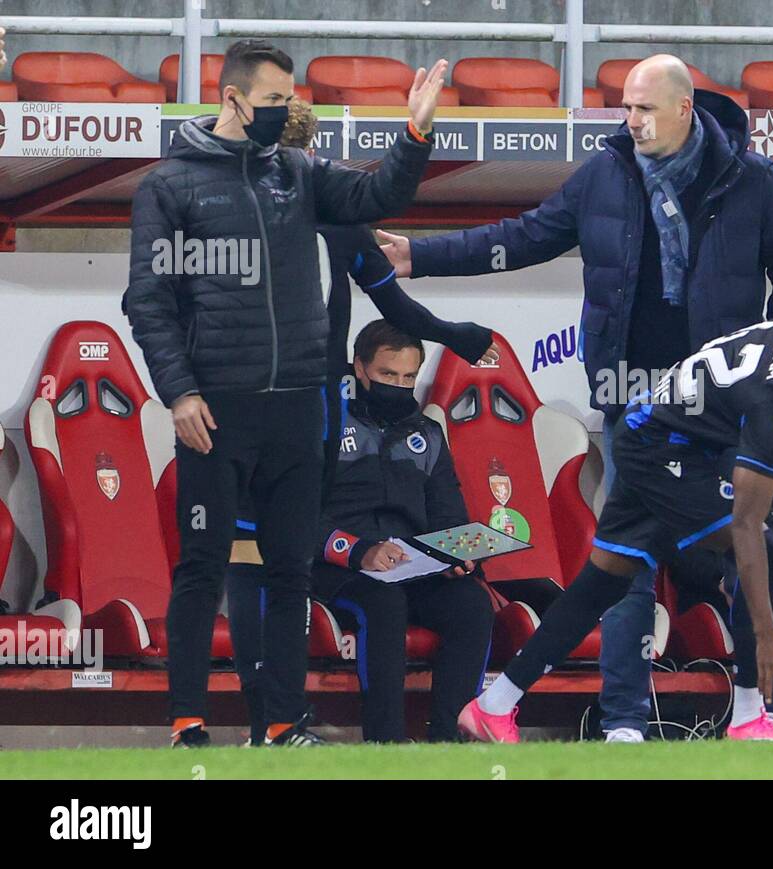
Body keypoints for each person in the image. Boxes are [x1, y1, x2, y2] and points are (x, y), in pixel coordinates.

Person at [378, 53, 773, 742]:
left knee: (619, 564)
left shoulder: (752, 182)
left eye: (644, 108)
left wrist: (769, 361)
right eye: (625, 106)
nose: (630, 121)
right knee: (702, 557)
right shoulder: (605, 177)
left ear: (684, 108)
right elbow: (521, 237)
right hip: (636, 408)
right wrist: (419, 256)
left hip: (717, 411)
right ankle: (691, 719)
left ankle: (506, 705)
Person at [123, 39, 446, 748]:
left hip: (300, 406)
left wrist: (415, 133)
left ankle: (281, 721)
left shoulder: (299, 174)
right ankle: (187, 720)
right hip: (216, 408)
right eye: (273, 101)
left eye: (290, 100)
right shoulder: (169, 185)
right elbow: (147, 302)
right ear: (233, 98)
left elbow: (377, 194)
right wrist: (178, 392)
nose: (284, 112)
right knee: (202, 567)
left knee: (292, 571)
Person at [458, 319, 773, 743]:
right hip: (664, 451)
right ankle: (749, 717)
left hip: (655, 432)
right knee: (761, 547)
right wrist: (767, 639)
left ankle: (494, 704)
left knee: (602, 583)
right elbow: (746, 526)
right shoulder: (769, 406)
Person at [225, 101, 500, 744]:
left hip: (300, 404)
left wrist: (452, 335)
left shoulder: (330, 214)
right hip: (259, 402)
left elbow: (390, 299)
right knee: (253, 550)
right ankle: (269, 721)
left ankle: (281, 723)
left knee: (270, 552)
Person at [606, 410, 773, 742]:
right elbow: (676, 534)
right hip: (723, 573)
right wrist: (719, 577)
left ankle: (751, 714)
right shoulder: (705, 428)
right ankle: (763, 719)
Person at [314, 320, 493, 742]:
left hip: (414, 568)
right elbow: (293, 517)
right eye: (387, 375)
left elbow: (449, 514)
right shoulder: (322, 425)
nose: (399, 385)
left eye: (409, 377)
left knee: (472, 604)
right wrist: (358, 551)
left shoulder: (428, 435)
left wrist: (458, 554)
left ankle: (449, 743)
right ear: (359, 368)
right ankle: (386, 746)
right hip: (339, 570)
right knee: (383, 601)